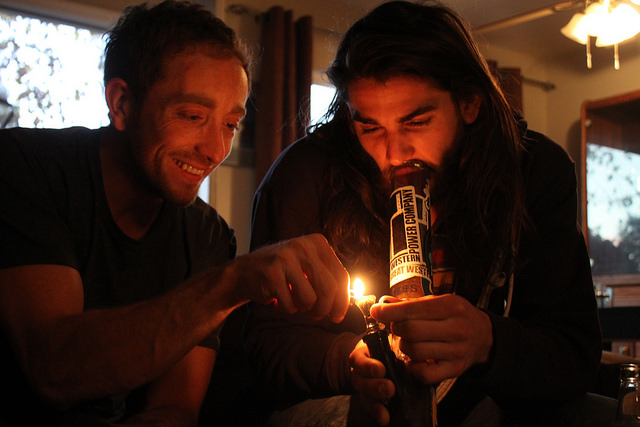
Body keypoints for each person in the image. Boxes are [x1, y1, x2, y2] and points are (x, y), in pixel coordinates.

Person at [246, 1, 617, 425]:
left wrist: (487, 341)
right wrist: (348, 361)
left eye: (416, 122)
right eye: (370, 127)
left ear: (470, 104)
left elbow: (572, 354)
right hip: (346, 401)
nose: (393, 155)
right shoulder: (305, 173)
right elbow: (264, 347)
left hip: (491, 399)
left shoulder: (533, 171)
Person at [0, 1, 350, 426]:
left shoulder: (208, 235)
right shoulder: (26, 169)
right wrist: (231, 283)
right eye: (192, 115)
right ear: (122, 103)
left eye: (229, 124)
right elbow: (54, 370)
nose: (214, 150)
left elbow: (176, 408)